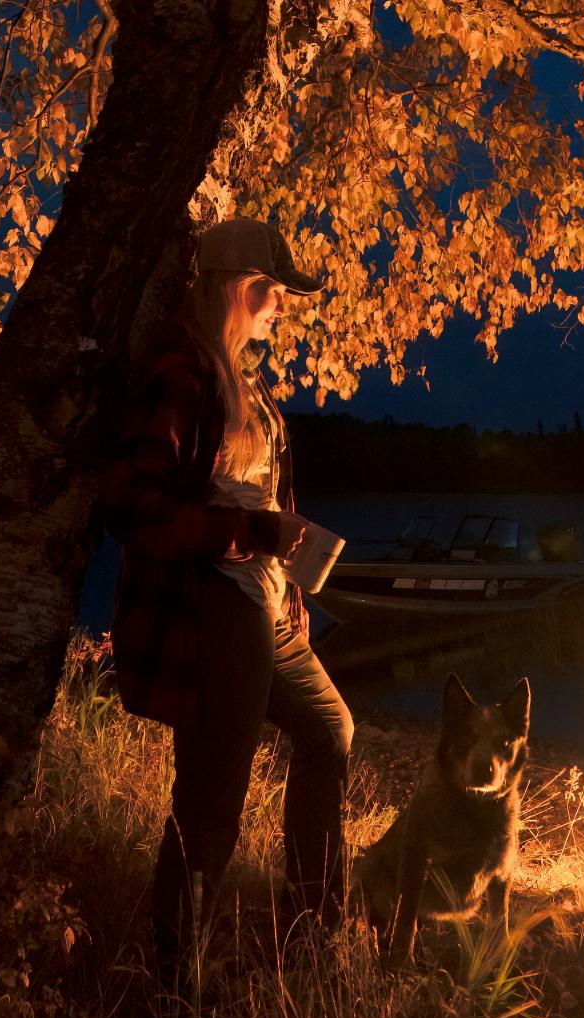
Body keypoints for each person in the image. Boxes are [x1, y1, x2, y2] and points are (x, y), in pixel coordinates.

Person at [99, 217, 353, 977]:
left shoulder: (245, 381)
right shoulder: (182, 373)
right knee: (211, 806)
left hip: (263, 607)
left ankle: (312, 926)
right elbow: (133, 508)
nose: (281, 307)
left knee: (329, 732)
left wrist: (288, 581)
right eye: (274, 293)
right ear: (242, 288)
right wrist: (251, 533)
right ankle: (176, 986)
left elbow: (265, 492)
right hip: (211, 608)